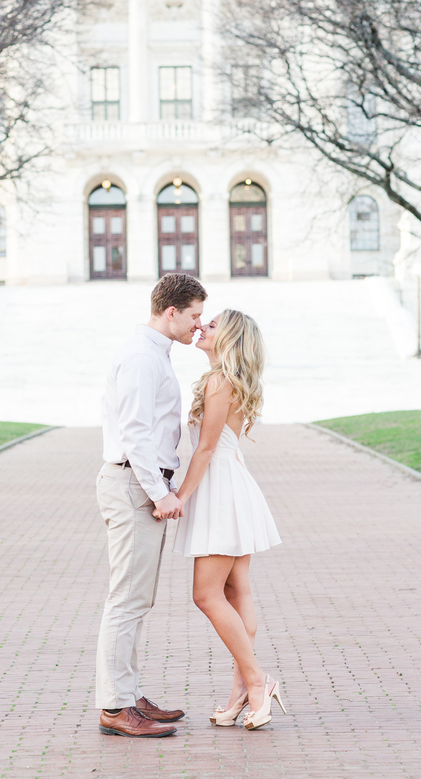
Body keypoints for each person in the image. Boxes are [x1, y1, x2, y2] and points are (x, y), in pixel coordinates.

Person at [96, 272, 207, 738]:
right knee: (126, 599)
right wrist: (160, 493)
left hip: (139, 484)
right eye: (195, 316)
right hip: (134, 485)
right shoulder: (143, 357)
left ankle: (128, 694)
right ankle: (116, 707)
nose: (198, 326)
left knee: (137, 600)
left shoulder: (152, 353)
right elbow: (136, 433)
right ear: (171, 312)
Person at [165, 309, 284, 730]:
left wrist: (177, 497)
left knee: (207, 595)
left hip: (221, 490)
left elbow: (205, 450)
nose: (201, 327)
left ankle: (255, 680)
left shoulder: (219, 381)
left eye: (211, 325)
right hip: (234, 486)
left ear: (229, 338)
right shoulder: (230, 379)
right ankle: (241, 691)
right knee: (238, 592)